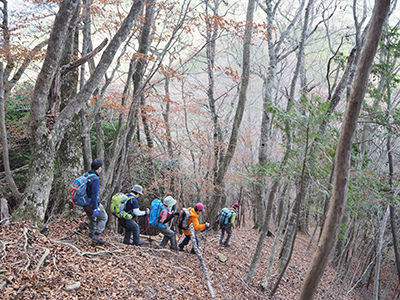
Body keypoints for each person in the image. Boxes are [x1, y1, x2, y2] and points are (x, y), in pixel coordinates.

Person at [83, 159, 108, 244]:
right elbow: (94, 195)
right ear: (99, 168)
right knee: (104, 217)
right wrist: (95, 208)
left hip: (84, 203)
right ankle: (97, 236)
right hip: (91, 203)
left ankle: (91, 234)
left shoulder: (86, 175)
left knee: (91, 217)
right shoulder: (95, 179)